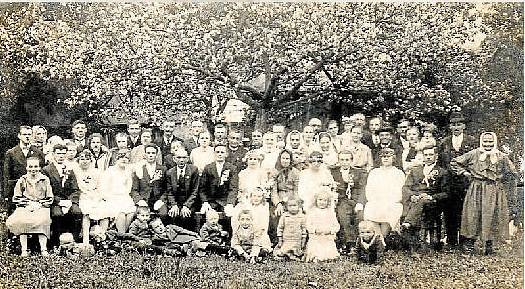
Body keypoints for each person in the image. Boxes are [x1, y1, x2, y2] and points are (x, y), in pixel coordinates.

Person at [450, 132, 518, 255]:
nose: (487, 144)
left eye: (490, 142)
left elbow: (512, 172)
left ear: (495, 142)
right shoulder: (474, 154)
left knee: (491, 215)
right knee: (473, 215)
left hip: (494, 190)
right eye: (485, 141)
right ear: (481, 141)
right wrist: (465, 173)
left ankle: (489, 245)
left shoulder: (501, 156)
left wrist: (502, 179)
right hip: (476, 189)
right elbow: (455, 162)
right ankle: (469, 244)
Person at [438, 112, 477, 248]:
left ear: (464, 126)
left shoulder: (471, 141)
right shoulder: (444, 142)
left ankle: (465, 240)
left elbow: (474, 161)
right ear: (450, 127)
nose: (456, 127)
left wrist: (468, 174)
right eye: (453, 125)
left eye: (459, 124)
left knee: (465, 210)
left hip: (466, 182)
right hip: (449, 182)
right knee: (449, 210)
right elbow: (441, 163)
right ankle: (451, 240)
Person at [401, 146, 449, 252]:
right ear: (422, 156)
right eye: (426, 155)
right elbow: (406, 187)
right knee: (414, 202)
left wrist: (431, 196)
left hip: (432, 202)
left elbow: (446, 193)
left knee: (422, 201)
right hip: (415, 198)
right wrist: (412, 195)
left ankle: (408, 223)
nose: (428, 157)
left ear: (436, 156)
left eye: (430, 155)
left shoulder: (442, 172)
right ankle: (410, 242)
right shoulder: (415, 170)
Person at [6, 157, 53, 257]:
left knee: (43, 220)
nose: (33, 169)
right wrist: (28, 204)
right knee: (22, 220)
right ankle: (24, 249)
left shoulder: (44, 180)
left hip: (41, 206)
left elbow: (49, 198)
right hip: (25, 206)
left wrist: (39, 204)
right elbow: (16, 197)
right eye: (30, 166)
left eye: (36, 166)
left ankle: (43, 249)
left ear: (40, 168)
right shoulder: (22, 180)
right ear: (26, 168)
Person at [42, 144, 82, 246]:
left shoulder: (69, 169)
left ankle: (74, 241)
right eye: (58, 154)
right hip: (54, 201)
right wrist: (59, 201)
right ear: (53, 154)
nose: (61, 156)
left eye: (63, 154)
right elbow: (46, 191)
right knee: (57, 214)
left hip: (68, 200)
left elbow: (75, 189)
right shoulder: (46, 170)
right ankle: (56, 242)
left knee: (77, 212)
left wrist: (70, 201)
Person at [363, 148, 405, 240]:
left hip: (392, 202)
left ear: (393, 158)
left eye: (388, 156)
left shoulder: (398, 173)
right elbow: (369, 189)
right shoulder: (374, 172)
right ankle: (379, 240)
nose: (385, 159)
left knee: (389, 211)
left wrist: (390, 199)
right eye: (383, 157)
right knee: (371, 209)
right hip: (376, 201)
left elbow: (400, 190)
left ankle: (381, 239)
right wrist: (375, 199)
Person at [330, 150, 368, 252]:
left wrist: (360, 202)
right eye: (342, 160)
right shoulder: (333, 172)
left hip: (356, 200)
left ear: (351, 161)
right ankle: (349, 243)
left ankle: (360, 242)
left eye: (347, 160)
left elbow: (363, 188)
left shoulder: (359, 172)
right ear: (338, 161)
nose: (344, 162)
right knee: (343, 217)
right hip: (342, 200)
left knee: (360, 216)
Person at [3, 126, 45, 213]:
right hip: (16, 190)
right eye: (24, 134)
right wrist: (6, 195)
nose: (27, 136)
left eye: (29, 134)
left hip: (34, 191)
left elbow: (42, 173)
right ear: (19, 135)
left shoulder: (38, 153)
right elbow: (6, 175)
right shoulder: (11, 153)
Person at [75, 150, 110, 244]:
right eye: (82, 159)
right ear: (78, 160)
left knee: (104, 212)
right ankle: (85, 240)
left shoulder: (97, 172)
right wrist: (86, 193)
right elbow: (76, 188)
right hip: (82, 196)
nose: (85, 161)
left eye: (87, 159)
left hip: (95, 195)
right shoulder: (75, 172)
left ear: (91, 161)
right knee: (86, 213)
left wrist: (98, 196)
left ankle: (102, 238)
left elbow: (101, 187)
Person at [99, 151, 136, 233]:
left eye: (126, 158)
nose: (124, 160)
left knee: (131, 213)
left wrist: (124, 196)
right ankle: (121, 237)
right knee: (121, 215)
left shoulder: (128, 171)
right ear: (116, 159)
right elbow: (103, 188)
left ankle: (121, 235)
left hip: (124, 197)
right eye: (121, 157)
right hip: (111, 198)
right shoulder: (109, 171)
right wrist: (109, 198)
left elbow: (128, 188)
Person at [130, 144, 168, 221]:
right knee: (136, 214)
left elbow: (167, 189)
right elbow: (134, 190)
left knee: (163, 214)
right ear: (145, 155)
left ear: (157, 155)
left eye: (153, 153)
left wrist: (161, 200)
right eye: (148, 153)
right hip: (144, 199)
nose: (150, 155)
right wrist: (139, 200)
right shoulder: (139, 169)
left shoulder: (163, 169)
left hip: (158, 200)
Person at [165, 148, 200, 230]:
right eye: (179, 157)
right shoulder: (170, 172)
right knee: (173, 214)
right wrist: (173, 205)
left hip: (190, 202)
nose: (181, 160)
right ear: (174, 159)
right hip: (176, 202)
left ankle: (188, 238)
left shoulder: (193, 170)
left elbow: (195, 191)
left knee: (186, 215)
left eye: (184, 158)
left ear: (187, 159)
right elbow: (169, 192)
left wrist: (186, 206)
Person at [270, 150, 300, 242]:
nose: (285, 160)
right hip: (279, 196)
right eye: (283, 158)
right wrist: (278, 204)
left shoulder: (295, 172)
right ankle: (277, 238)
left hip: (292, 197)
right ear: (280, 159)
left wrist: (295, 203)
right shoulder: (275, 172)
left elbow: (296, 190)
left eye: (287, 158)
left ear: (290, 160)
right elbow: (274, 191)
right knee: (275, 213)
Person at [199, 144, 239, 215]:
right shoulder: (208, 168)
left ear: (226, 154)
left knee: (230, 215)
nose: (219, 154)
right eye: (217, 152)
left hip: (225, 201)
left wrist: (230, 203)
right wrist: (204, 202)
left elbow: (233, 188)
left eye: (222, 152)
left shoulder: (232, 168)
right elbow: (202, 188)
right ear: (214, 154)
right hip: (211, 201)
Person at [304, 188, 340, 262]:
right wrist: (314, 230)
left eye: (325, 200)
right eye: (320, 200)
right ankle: (316, 257)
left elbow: (336, 225)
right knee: (315, 247)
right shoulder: (312, 212)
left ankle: (328, 256)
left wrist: (331, 231)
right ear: (316, 200)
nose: (322, 202)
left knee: (329, 249)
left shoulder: (331, 213)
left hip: (327, 236)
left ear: (328, 202)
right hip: (316, 236)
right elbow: (308, 224)